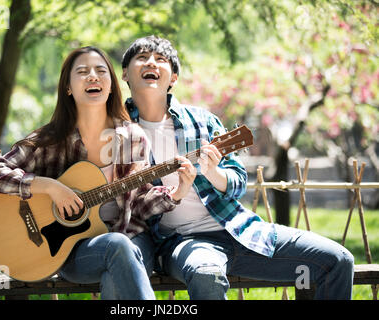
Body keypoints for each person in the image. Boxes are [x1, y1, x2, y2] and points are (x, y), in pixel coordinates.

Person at [120, 35, 355, 300]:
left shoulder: (202, 121)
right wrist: (174, 193)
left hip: (239, 228)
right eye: (142, 57)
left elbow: (238, 179)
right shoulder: (118, 131)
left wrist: (213, 173)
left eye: (160, 59)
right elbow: (127, 205)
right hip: (183, 241)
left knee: (337, 260)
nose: (151, 62)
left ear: (173, 77)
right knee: (206, 274)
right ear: (125, 73)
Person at [0, 46, 196, 300]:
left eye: (101, 71)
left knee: (120, 255)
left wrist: (176, 192)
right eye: (82, 72)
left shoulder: (132, 137)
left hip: (131, 237)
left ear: (112, 85)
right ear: (68, 87)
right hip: (71, 251)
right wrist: (50, 187)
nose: (93, 76)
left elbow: (138, 204)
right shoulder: (51, 139)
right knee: (118, 248)